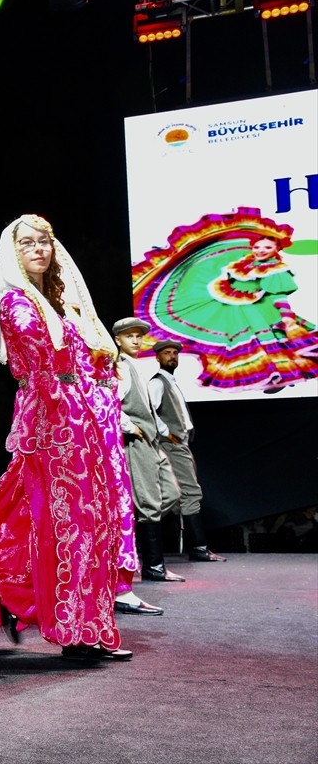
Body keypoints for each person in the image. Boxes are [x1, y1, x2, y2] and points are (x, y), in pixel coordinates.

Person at [0, 214, 136, 661]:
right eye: (28, 243)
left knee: (75, 520)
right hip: (53, 422)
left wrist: (101, 387)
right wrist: (79, 387)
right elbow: (42, 367)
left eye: (45, 242)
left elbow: (87, 361)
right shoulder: (17, 304)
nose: (39, 249)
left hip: (83, 421)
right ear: (13, 252)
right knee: (68, 522)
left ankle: (19, 595)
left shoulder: (61, 304)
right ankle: (74, 631)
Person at [131, 208, 318, 393]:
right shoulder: (243, 263)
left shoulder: (275, 269)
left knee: (270, 344)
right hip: (242, 311)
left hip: (262, 312)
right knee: (252, 344)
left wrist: (286, 316)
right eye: (257, 247)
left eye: (267, 247)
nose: (261, 251)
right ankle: (273, 376)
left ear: (277, 249)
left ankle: (279, 374)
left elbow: (279, 294)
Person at [111, 318, 184, 599]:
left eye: (139, 337)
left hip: (151, 440)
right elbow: (110, 402)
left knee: (171, 493)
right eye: (130, 337)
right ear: (118, 340)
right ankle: (154, 565)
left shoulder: (137, 366)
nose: (136, 341)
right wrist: (131, 427)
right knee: (149, 502)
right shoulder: (120, 367)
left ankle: (143, 554)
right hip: (137, 440)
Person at [149, 339, 227, 563]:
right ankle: (199, 548)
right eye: (167, 353)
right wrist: (166, 432)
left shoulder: (170, 382)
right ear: (157, 357)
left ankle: (198, 547)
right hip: (171, 445)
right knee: (190, 493)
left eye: (175, 353)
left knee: (182, 495)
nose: (172, 357)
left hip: (180, 444)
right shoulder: (158, 383)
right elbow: (149, 411)